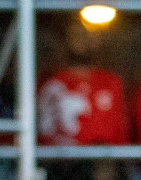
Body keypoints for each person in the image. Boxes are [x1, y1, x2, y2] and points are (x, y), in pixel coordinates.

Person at [38, 19, 130, 147]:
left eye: (87, 34)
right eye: (76, 34)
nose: (82, 40)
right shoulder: (49, 81)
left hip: (102, 159)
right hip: (57, 159)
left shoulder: (110, 81)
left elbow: (120, 130)